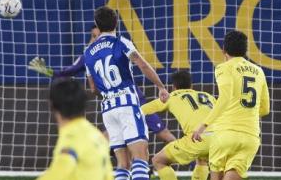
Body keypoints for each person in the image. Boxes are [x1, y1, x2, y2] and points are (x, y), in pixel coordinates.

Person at [84, 6, 169, 180]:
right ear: (116, 23)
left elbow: (93, 88)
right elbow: (141, 64)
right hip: (127, 104)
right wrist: (161, 86)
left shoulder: (88, 52)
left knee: (122, 161)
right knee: (141, 155)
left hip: (107, 110)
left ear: (97, 25)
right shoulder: (121, 42)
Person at [192, 30, 270, 180]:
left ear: (223, 50)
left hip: (224, 135)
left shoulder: (223, 68)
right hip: (250, 137)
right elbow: (264, 109)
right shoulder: (258, 71)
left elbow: (224, 98)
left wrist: (203, 125)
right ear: (246, 50)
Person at [28, 26, 176, 144]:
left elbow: (93, 88)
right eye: (92, 36)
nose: (94, 38)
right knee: (115, 141)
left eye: (96, 35)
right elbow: (69, 71)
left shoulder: (112, 46)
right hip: (117, 104)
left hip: (134, 102)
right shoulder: (89, 54)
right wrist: (48, 71)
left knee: (162, 135)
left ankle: (193, 159)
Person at [142, 70, 216, 180]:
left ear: (174, 86)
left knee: (159, 160)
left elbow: (144, 110)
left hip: (197, 138)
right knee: (202, 161)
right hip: (219, 138)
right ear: (191, 85)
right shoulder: (208, 96)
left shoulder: (173, 96)